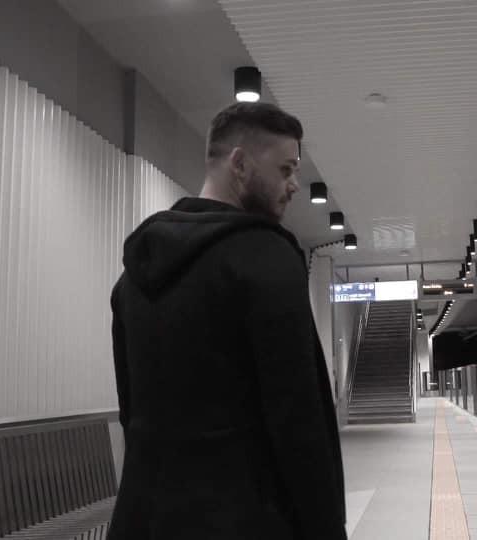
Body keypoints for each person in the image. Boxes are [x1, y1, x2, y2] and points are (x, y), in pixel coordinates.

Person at [107, 102, 347, 539]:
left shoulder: (132, 278)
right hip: (245, 520)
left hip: (144, 519)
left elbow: (131, 413)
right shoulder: (266, 258)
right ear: (240, 164)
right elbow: (298, 421)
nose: (294, 185)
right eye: (286, 169)